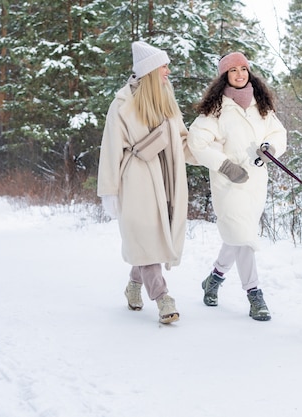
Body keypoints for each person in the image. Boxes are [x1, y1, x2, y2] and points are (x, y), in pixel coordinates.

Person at [187, 52, 287, 321]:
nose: (240, 74)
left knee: (238, 235)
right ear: (225, 77)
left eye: (243, 69)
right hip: (228, 183)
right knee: (243, 237)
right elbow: (196, 142)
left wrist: (270, 148)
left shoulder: (260, 104)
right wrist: (225, 166)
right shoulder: (216, 108)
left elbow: (278, 133)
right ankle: (254, 294)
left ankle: (214, 280)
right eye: (233, 70)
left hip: (255, 183)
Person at [97, 41, 191, 324]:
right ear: (150, 70)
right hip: (136, 179)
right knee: (146, 236)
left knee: (152, 239)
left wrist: (217, 156)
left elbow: (184, 140)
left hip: (167, 179)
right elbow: (111, 148)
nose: (168, 70)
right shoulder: (122, 105)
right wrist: (109, 192)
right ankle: (163, 298)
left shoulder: (166, 100)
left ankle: (133, 285)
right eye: (164, 65)